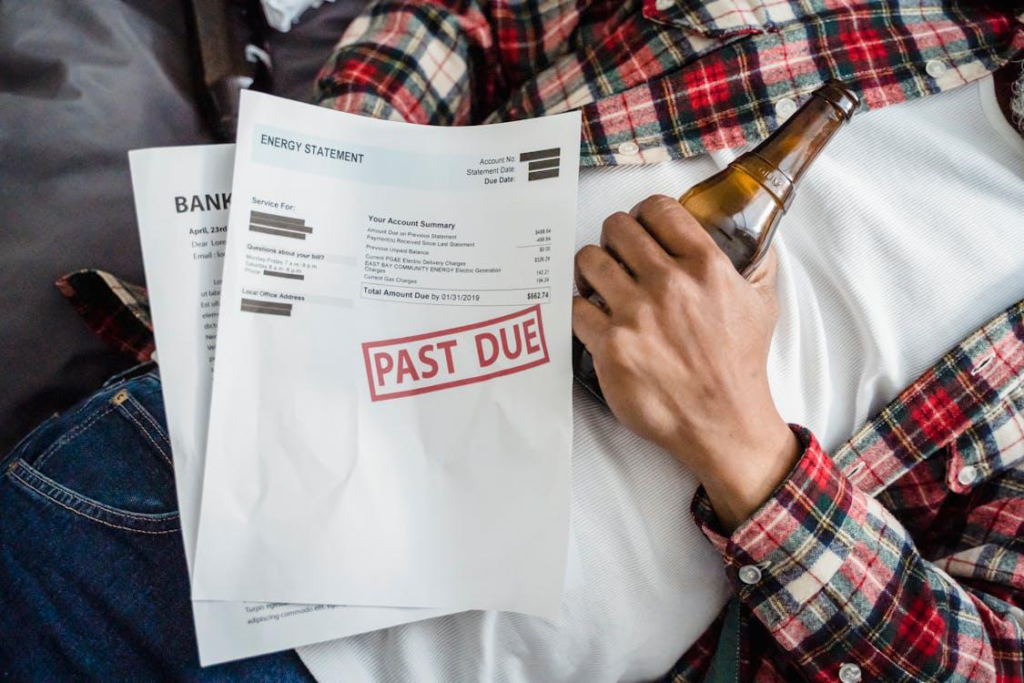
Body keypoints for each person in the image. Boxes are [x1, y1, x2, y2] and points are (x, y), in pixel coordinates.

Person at [2, 1, 1022, 682]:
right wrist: (352, 172)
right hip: (178, 494)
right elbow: (465, 14)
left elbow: (984, 657)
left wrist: (747, 448)